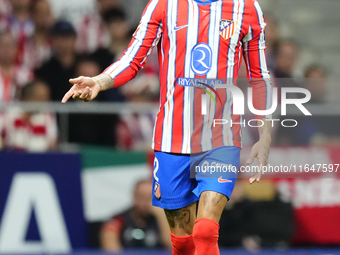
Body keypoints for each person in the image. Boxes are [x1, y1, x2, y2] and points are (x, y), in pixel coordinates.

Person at [62, 0, 273, 254]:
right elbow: (132, 59)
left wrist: (265, 133)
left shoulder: (246, 8)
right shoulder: (162, 5)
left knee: (205, 231)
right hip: (172, 141)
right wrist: (100, 80)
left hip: (221, 138)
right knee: (183, 243)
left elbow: (259, 76)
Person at [100, 180, 171, 251]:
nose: (147, 202)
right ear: (134, 196)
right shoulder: (118, 220)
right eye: (143, 197)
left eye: (151, 198)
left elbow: (172, 247)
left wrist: (161, 216)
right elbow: (110, 247)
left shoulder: (161, 220)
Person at [0, 80, 57, 152]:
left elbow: (53, 140)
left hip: (40, 157)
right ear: (28, 98)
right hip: (12, 157)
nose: (45, 102)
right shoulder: (9, 113)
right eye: (41, 98)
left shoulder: (48, 115)